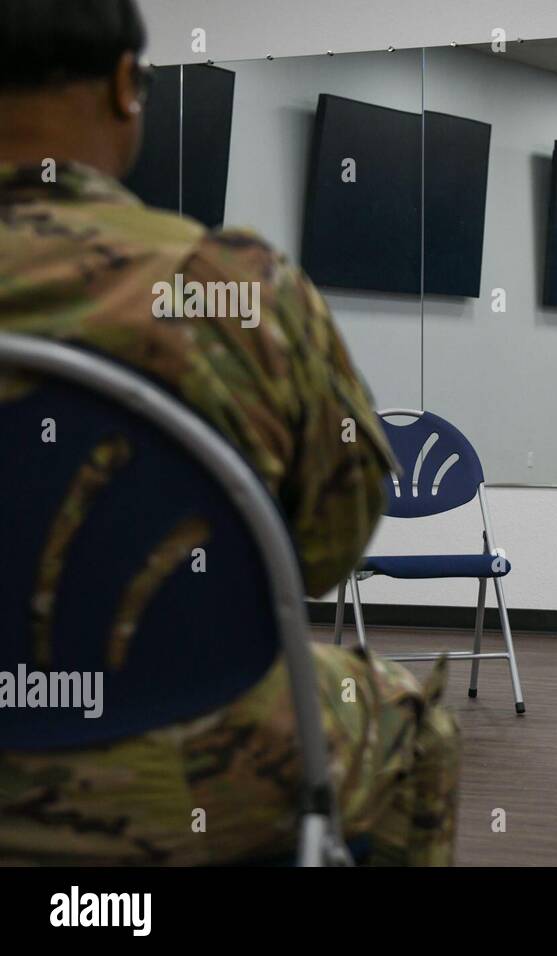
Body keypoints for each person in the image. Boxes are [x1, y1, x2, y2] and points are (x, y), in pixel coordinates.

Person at [0, 0, 458, 865]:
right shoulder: (234, 288)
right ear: (129, 88)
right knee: (410, 726)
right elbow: (326, 552)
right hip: (180, 765)